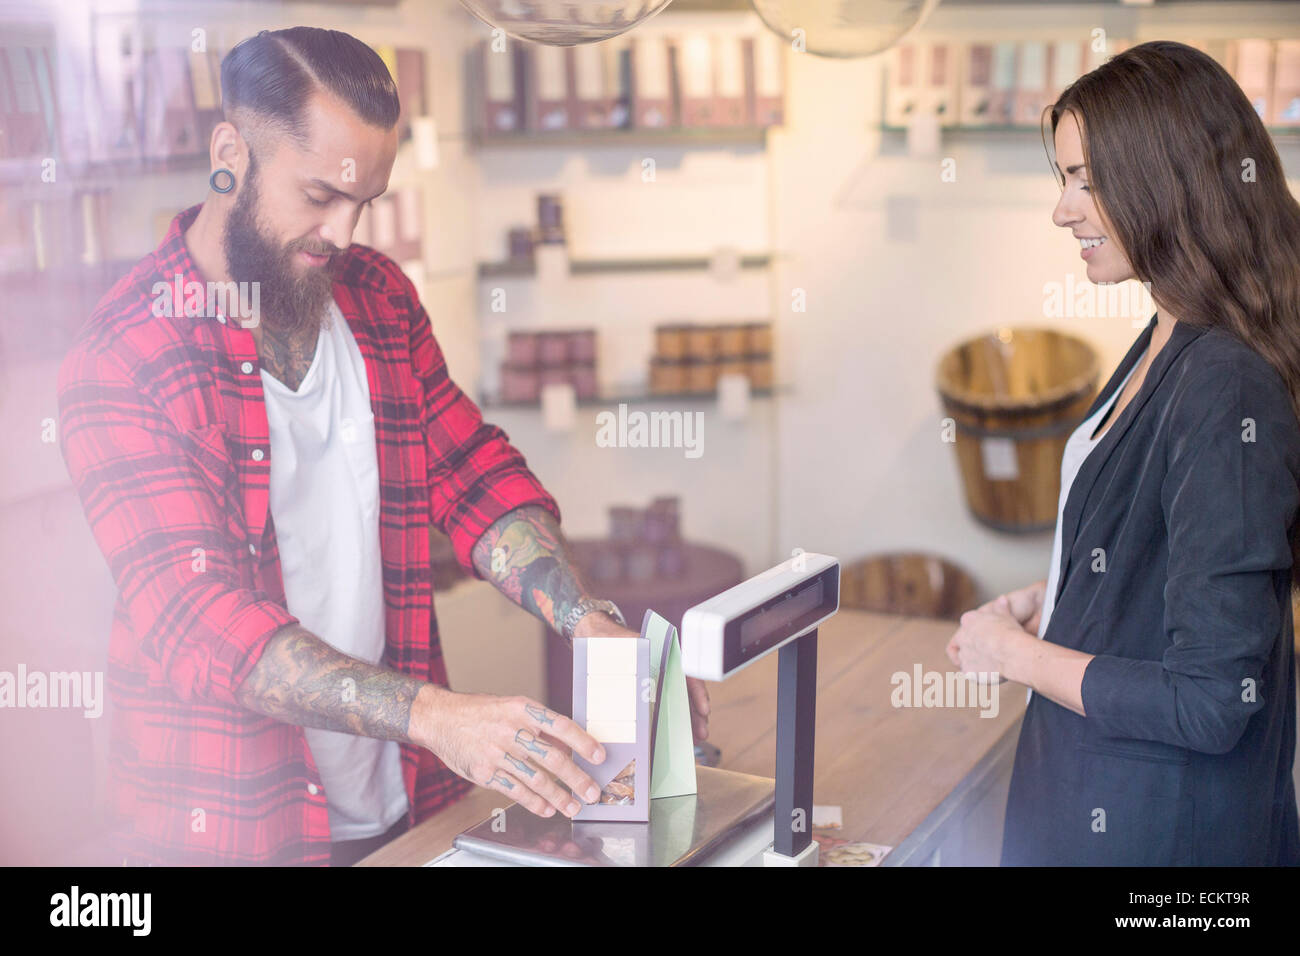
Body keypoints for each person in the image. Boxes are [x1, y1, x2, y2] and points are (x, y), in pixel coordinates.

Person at [56, 26, 709, 866]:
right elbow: (203, 625)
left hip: (402, 803)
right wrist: (436, 716)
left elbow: (476, 474)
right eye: (321, 194)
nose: (347, 234)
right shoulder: (125, 357)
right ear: (230, 154)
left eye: (365, 202)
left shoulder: (377, 299)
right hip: (227, 828)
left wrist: (584, 621)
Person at [946, 40, 1300, 865]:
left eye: (1085, 181)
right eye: (1066, 179)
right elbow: (1172, 546)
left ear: (1164, 183)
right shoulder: (1164, 337)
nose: (1063, 211)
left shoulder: (1226, 385)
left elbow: (1211, 701)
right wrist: (1069, 589)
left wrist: (1020, 656)